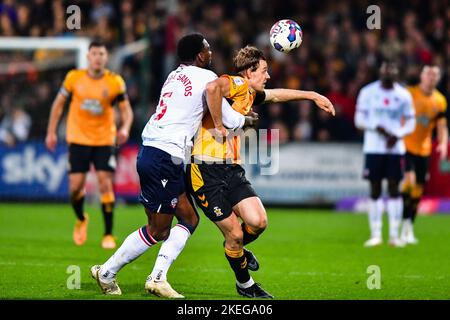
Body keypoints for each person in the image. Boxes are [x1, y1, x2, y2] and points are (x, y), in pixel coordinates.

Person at [90, 34, 255, 297]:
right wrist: (245, 120)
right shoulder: (205, 77)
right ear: (200, 55)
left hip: (157, 151)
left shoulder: (174, 76)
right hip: (164, 156)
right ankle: (118, 273)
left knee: (189, 218)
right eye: (207, 49)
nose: (211, 52)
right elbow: (225, 113)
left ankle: (143, 275)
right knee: (158, 229)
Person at [186, 46, 335, 298]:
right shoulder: (234, 83)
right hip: (205, 170)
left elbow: (276, 95)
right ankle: (246, 285)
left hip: (232, 168)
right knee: (234, 233)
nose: (267, 77)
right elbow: (212, 88)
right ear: (249, 71)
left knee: (258, 221)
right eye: (264, 71)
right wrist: (220, 125)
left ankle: (237, 250)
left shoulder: (249, 93)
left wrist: (312, 95)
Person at [45, 41, 133, 249]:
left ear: (106, 57)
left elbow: (126, 109)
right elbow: (58, 105)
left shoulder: (115, 82)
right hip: (78, 139)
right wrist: (51, 132)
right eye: (94, 53)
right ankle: (81, 218)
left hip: (104, 139)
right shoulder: (74, 78)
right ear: (88, 56)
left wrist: (125, 128)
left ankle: (108, 234)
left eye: (102, 53)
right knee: (75, 188)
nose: (98, 57)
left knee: (105, 183)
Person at [354, 61, 416, 248]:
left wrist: (397, 135)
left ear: (397, 72)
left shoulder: (403, 95)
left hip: (395, 149)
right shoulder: (367, 92)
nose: (389, 72)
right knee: (374, 189)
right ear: (380, 72)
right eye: (385, 69)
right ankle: (376, 234)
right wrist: (376, 127)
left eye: (392, 69)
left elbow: (411, 123)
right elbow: (359, 120)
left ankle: (395, 235)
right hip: (373, 147)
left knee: (395, 188)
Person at [401, 65, 448, 244]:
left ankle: (408, 227)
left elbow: (442, 126)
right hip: (406, 146)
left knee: (419, 191)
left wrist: (443, 144)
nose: (431, 77)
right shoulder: (409, 94)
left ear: (438, 78)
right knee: (409, 182)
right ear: (421, 76)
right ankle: (401, 223)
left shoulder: (440, 101)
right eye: (428, 73)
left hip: (425, 149)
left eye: (435, 74)